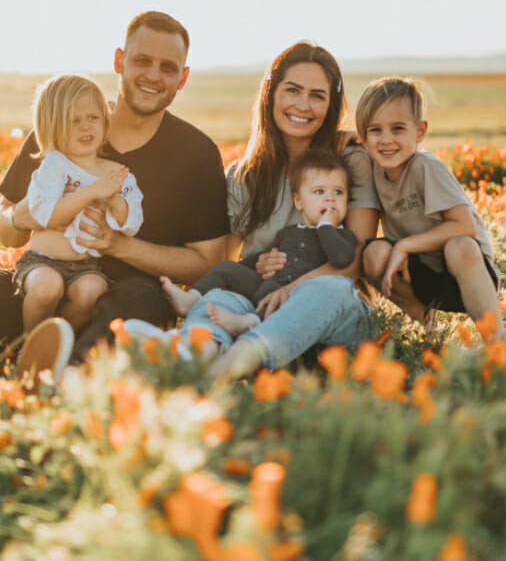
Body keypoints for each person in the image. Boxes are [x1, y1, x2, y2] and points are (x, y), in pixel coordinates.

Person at [0, 11, 229, 369]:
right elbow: (4, 228)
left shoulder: (196, 153)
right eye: (142, 61)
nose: (153, 75)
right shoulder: (64, 125)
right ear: (119, 61)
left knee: (141, 298)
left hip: (118, 304)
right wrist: (20, 215)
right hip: (40, 290)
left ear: (182, 78)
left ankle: (67, 373)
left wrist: (121, 245)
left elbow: (208, 263)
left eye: (168, 67)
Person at [121, 41, 380, 379]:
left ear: (331, 105)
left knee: (327, 289)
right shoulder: (245, 175)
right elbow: (222, 260)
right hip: (261, 305)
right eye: (293, 90)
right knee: (219, 296)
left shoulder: (349, 161)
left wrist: (293, 287)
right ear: (271, 94)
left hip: (331, 316)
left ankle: (221, 372)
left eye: (318, 95)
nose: (303, 105)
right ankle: (191, 355)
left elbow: (355, 260)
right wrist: (255, 264)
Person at [355, 77, 503, 338]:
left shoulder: (426, 167)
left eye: (398, 129)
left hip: (467, 273)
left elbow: (464, 226)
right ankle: (426, 326)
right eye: (375, 130)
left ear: (420, 132)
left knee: (460, 246)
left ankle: (496, 344)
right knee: (373, 253)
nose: (386, 140)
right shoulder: (374, 171)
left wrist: (404, 245)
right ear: (363, 137)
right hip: (421, 275)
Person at [160, 149, 356, 337]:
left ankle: (248, 322)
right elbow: (261, 257)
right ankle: (191, 299)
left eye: (339, 192)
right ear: (298, 201)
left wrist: (325, 227)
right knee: (226, 268)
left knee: (275, 299)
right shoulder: (289, 232)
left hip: (296, 298)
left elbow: (341, 258)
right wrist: (244, 268)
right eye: (320, 192)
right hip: (265, 285)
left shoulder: (343, 237)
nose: (330, 199)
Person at [15, 73, 143, 333]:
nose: (86, 127)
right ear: (52, 127)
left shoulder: (117, 172)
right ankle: (29, 345)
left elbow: (132, 223)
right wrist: (91, 192)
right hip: (42, 260)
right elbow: (45, 214)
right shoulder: (54, 165)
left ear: (105, 122)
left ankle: (61, 342)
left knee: (92, 291)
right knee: (46, 288)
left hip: (86, 266)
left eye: (93, 118)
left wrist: (116, 201)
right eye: (74, 121)